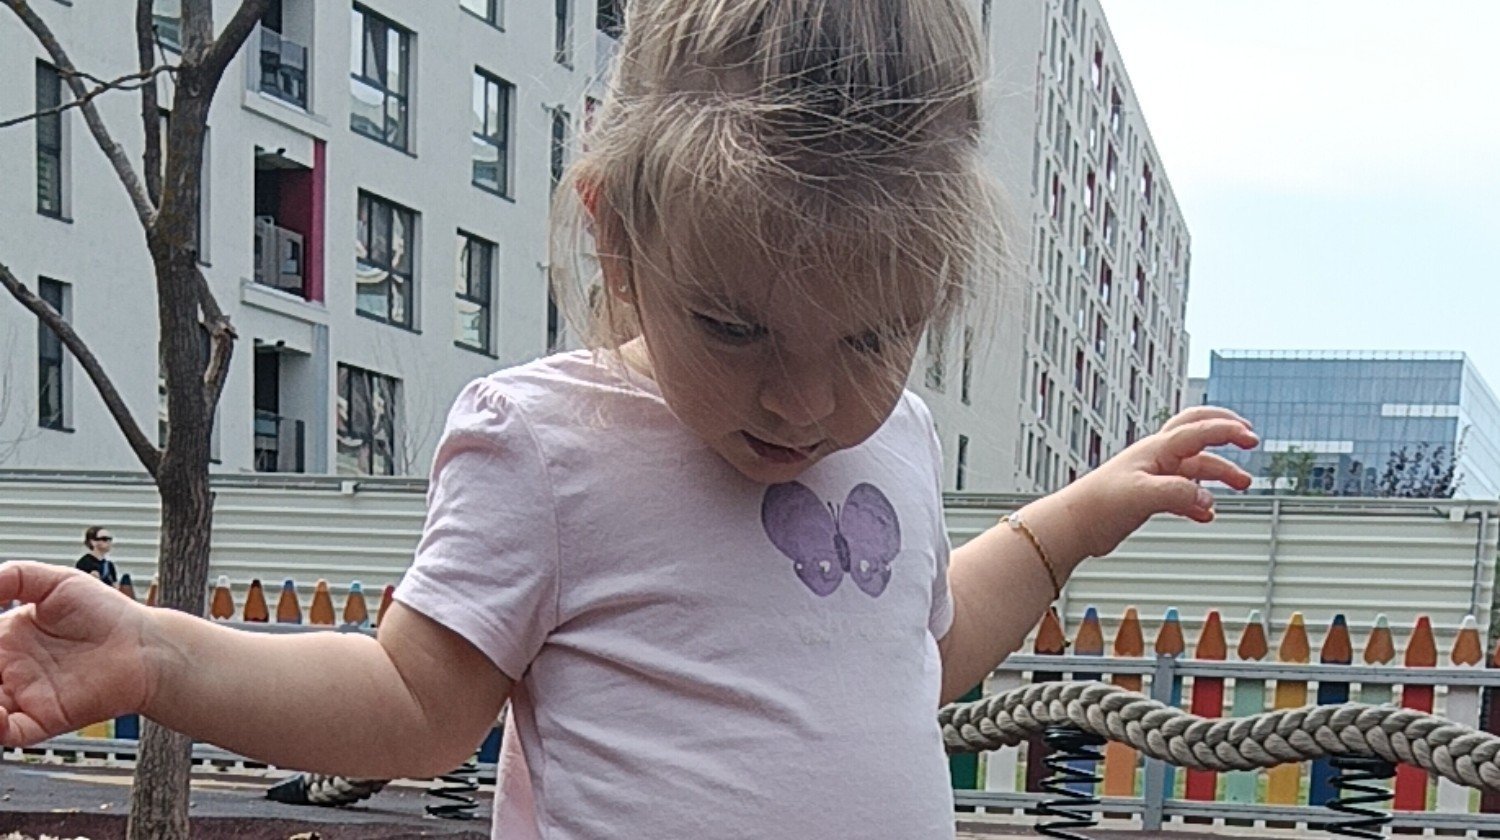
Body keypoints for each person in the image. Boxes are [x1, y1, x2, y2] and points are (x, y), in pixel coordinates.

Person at [0, 2, 1257, 837]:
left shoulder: (898, 442)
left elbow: (915, 652)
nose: (805, 403)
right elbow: (410, 700)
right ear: (617, 239)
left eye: (873, 338)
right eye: (736, 328)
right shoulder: (549, 446)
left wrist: (1068, 525)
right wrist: (159, 658)